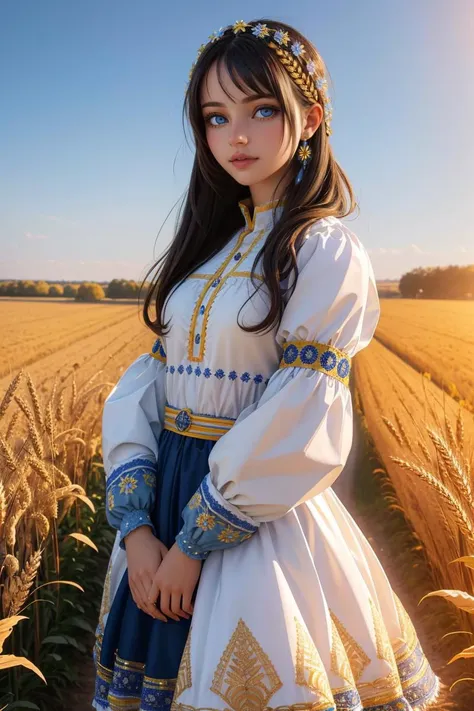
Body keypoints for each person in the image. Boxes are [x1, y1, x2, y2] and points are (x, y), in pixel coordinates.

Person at [92, 18, 441, 711]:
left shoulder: (322, 249)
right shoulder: (209, 254)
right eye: (216, 117)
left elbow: (305, 407)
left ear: (310, 118)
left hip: (254, 524)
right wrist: (137, 531)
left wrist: (192, 545)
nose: (237, 136)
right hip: (159, 517)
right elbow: (145, 387)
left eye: (261, 109)